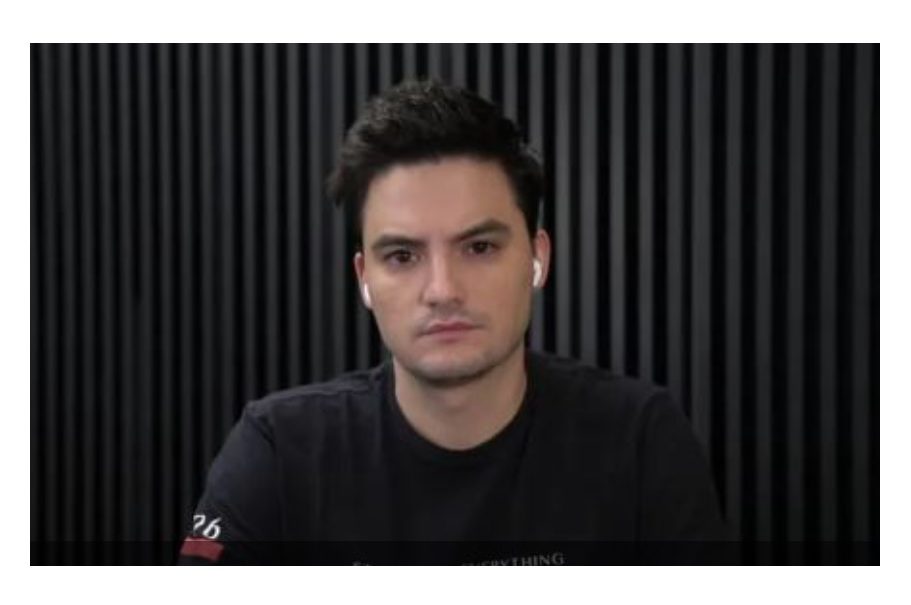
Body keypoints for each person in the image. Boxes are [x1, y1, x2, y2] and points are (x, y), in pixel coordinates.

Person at [178, 80, 731, 565]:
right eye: (402, 256)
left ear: (537, 258)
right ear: (364, 279)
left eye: (480, 247)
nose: (442, 290)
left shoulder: (639, 442)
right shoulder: (278, 451)